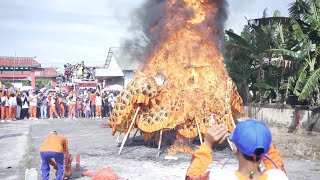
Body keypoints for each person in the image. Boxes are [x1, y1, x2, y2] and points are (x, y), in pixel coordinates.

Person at [186, 118, 287, 180]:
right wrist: (260, 134)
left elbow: (191, 177)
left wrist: (207, 144)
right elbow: (276, 165)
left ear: (235, 147)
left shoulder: (219, 177)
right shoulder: (278, 177)